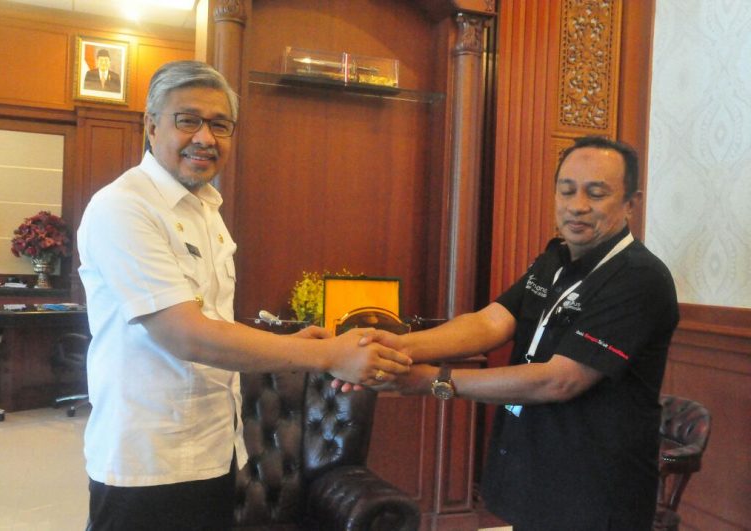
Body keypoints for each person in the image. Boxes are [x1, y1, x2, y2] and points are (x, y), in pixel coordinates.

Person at [77, 60, 411, 531]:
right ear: (151, 125)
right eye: (188, 120)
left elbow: (211, 321)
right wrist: (326, 355)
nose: (205, 138)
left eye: (220, 125)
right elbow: (185, 334)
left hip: (213, 447)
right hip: (147, 456)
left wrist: (296, 344)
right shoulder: (123, 207)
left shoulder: (205, 208)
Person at [353, 136, 679, 530]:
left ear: (630, 203)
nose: (577, 205)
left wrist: (433, 381)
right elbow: (491, 322)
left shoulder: (639, 278)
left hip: (595, 489)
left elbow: (560, 380)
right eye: (567, 190)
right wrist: (396, 346)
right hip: (538, 470)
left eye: (596, 193)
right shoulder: (555, 259)